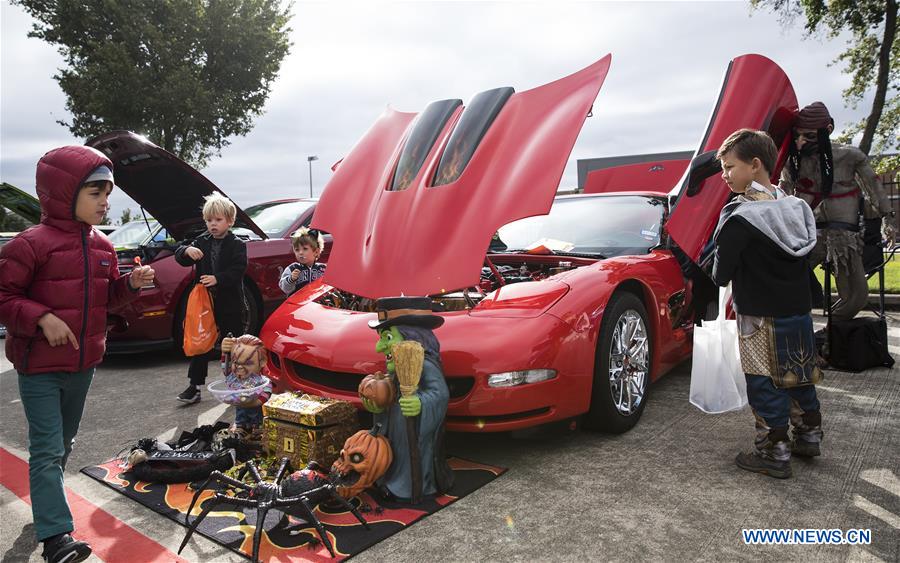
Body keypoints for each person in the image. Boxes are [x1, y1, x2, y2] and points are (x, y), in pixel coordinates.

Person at [0, 146, 155, 563]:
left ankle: (46, 506)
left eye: (108, 193)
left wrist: (131, 285)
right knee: (48, 448)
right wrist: (41, 317)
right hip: (39, 369)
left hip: (83, 365)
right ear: (64, 193)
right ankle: (56, 539)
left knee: (63, 443)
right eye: (95, 193)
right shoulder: (29, 245)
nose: (105, 202)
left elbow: (109, 303)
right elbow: (4, 296)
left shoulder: (104, 247)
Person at [712, 129, 824, 479]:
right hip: (798, 310)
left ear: (755, 165)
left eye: (730, 167)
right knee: (800, 373)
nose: (725, 175)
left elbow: (720, 274)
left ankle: (773, 452)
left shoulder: (739, 216)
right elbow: (808, 256)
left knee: (763, 380)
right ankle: (809, 436)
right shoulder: (797, 208)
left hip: (758, 314)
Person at [779, 101, 896, 321]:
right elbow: (784, 190)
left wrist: (887, 218)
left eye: (809, 136)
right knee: (790, 285)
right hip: (806, 235)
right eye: (798, 136)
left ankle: (830, 336)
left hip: (843, 237)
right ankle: (807, 336)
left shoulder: (849, 156)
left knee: (855, 296)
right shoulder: (793, 160)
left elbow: (873, 187)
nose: (802, 142)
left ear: (828, 130)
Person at [360, 297, 453, 501]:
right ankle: (390, 481)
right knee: (395, 452)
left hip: (416, 433)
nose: (379, 347)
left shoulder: (426, 365)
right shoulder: (395, 368)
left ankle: (413, 487)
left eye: (388, 338)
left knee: (413, 455)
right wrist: (379, 406)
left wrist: (421, 402)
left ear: (412, 338)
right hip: (396, 428)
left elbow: (440, 394)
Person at [174, 193, 248, 404]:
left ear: (230, 221)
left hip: (231, 304)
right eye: (209, 220)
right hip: (205, 304)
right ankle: (194, 387)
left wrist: (218, 278)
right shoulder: (201, 241)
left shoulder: (237, 244)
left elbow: (239, 270)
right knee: (201, 344)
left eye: (218, 220)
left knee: (233, 345)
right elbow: (179, 255)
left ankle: (238, 385)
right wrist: (186, 250)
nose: (213, 224)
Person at [220, 334, 272, 432]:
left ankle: (256, 429)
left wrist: (249, 402)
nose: (240, 367)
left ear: (262, 362)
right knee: (239, 432)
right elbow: (226, 369)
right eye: (236, 362)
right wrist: (225, 352)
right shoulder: (235, 379)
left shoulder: (263, 382)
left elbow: (265, 396)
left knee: (258, 432)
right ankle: (240, 427)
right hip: (240, 422)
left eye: (248, 363)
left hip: (258, 422)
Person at [278, 227, 326, 296]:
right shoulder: (292, 268)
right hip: (299, 304)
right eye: (297, 250)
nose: (300, 253)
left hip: (316, 304)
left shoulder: (323, 269)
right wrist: (291, 279)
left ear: (316, 252)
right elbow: (285, 289)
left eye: (305, 249)